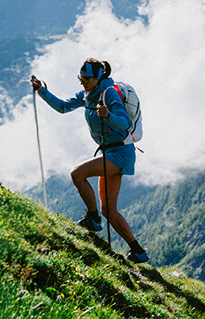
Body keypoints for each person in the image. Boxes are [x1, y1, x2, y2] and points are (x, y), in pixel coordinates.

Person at [32, 58, 149, 263]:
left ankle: (93, 219)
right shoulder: (87, 95)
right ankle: (138, 251)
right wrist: (42, 90)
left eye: (86, 78)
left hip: (120, 153)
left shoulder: (110, 93)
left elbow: (124, 123)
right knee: (109, 211)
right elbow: (63, 107)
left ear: (97, 78)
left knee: (77, 173)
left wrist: (108, 114)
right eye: (80, 77)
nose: (82, 82)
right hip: (111, 152)